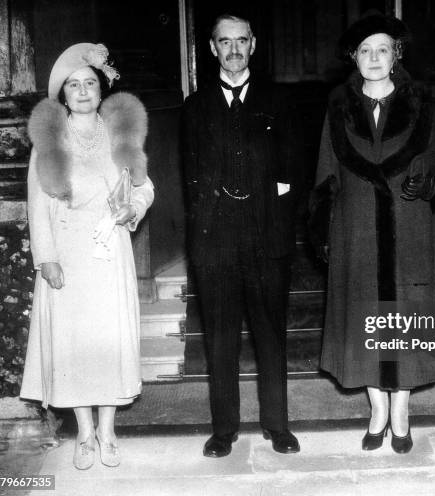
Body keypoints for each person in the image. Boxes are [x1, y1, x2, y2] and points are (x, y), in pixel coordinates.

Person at [310, 14, 435, 453]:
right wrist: (322, 230)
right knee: (362, 314)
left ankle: (402, 410)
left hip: (408, 225)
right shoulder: (337, 104)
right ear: (354, 56)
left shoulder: (420, 102)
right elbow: (325, 171)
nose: (374, 58)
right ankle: (376, 409)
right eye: (365, 50)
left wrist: (427, 173)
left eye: (383, 49)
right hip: (356, 229)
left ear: (397, 55)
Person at [20, 43, 154, 470]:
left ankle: (109, 430)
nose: (82, 92)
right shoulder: (50, 141)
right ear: (63, 94)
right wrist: (47, 258)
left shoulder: (121, 134)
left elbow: (145, 187)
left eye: (90, 84)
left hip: (109, 252)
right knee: (75, 344)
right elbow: (36, 202)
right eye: (74, 85)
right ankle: (84, 433)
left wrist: (133, 207)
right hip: (68, 254)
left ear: (102, 90)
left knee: (108, 340)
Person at [181, 14, 301, 457]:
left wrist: (277, 218)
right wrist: (200, 239)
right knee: (221, 338)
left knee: (271, 334)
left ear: (254, 44)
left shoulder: (280, 101)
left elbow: (294, 171)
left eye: (241, 41)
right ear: (212, 48)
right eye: (224, 42)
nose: (233, 49)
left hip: (266, 235)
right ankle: (223, 429)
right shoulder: (195, 107)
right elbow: (190, 177)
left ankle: (278, 425)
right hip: (216, 240)